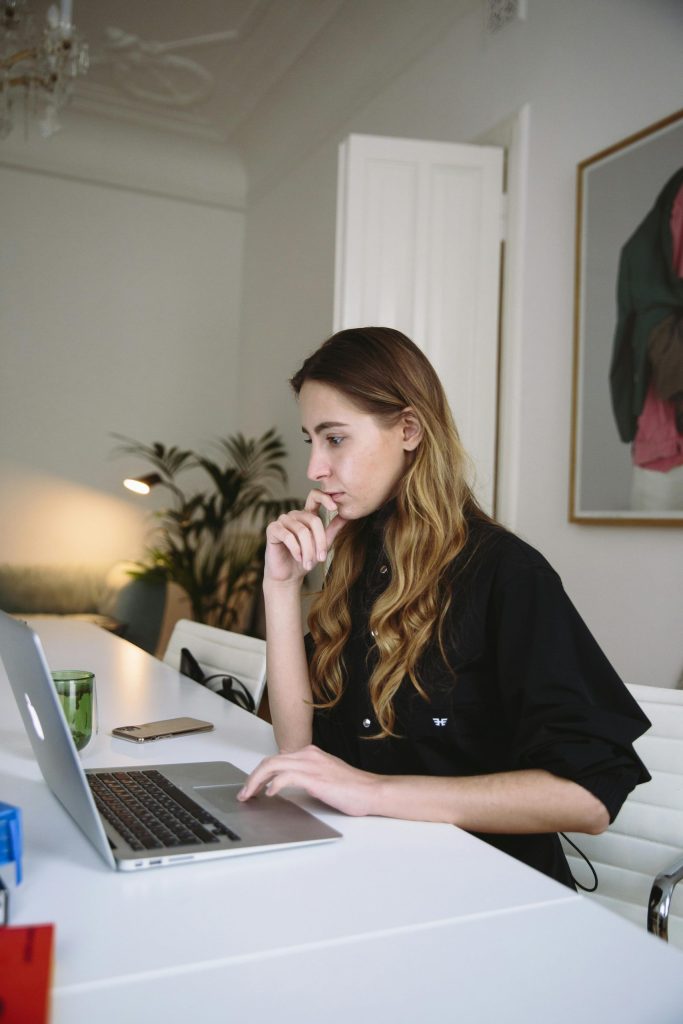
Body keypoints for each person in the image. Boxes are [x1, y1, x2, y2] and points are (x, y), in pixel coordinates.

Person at [237, 326, 651, 887]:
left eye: (335, 439)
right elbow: (298, 749)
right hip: (370, 871)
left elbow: (589, 797)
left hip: (484, 888)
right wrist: (280, 587)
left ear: (409, 429)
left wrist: (374, 792)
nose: (314, 468)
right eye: (310, 439)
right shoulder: (357, 557)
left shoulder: (507, 574)